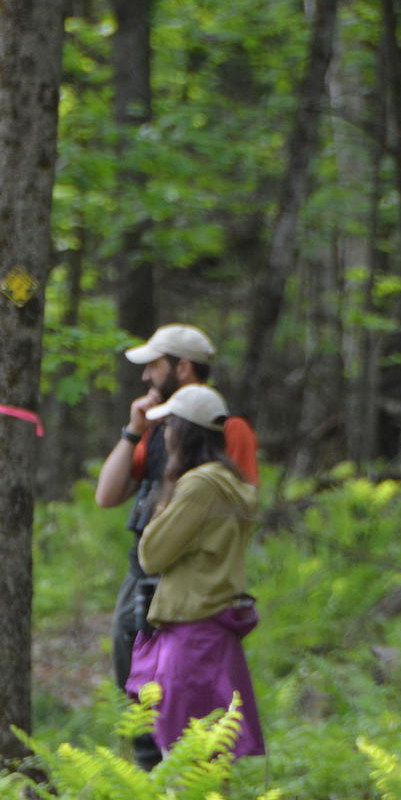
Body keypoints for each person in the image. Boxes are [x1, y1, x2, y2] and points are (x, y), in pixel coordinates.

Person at [94, 324, 257, 766]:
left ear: (183, 367)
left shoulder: (228, 429)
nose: (146, 376)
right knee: (137, 685)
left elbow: (235, 510)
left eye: (155, 365)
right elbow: (107, 495)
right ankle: (149, 783)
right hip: (143, 579)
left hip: (188, 587)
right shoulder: (155, 427)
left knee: (182, 705)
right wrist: (133, 431)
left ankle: (166, 793)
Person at [127, 384, 264, 759]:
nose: (164, 434)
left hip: (190, 634)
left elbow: (151, 555)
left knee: (185, 759)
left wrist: (163, 503)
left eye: (169, 425)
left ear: (183, 432)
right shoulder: (230, 484)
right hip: (215, 633)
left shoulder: (198, 485)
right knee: (211, 760)